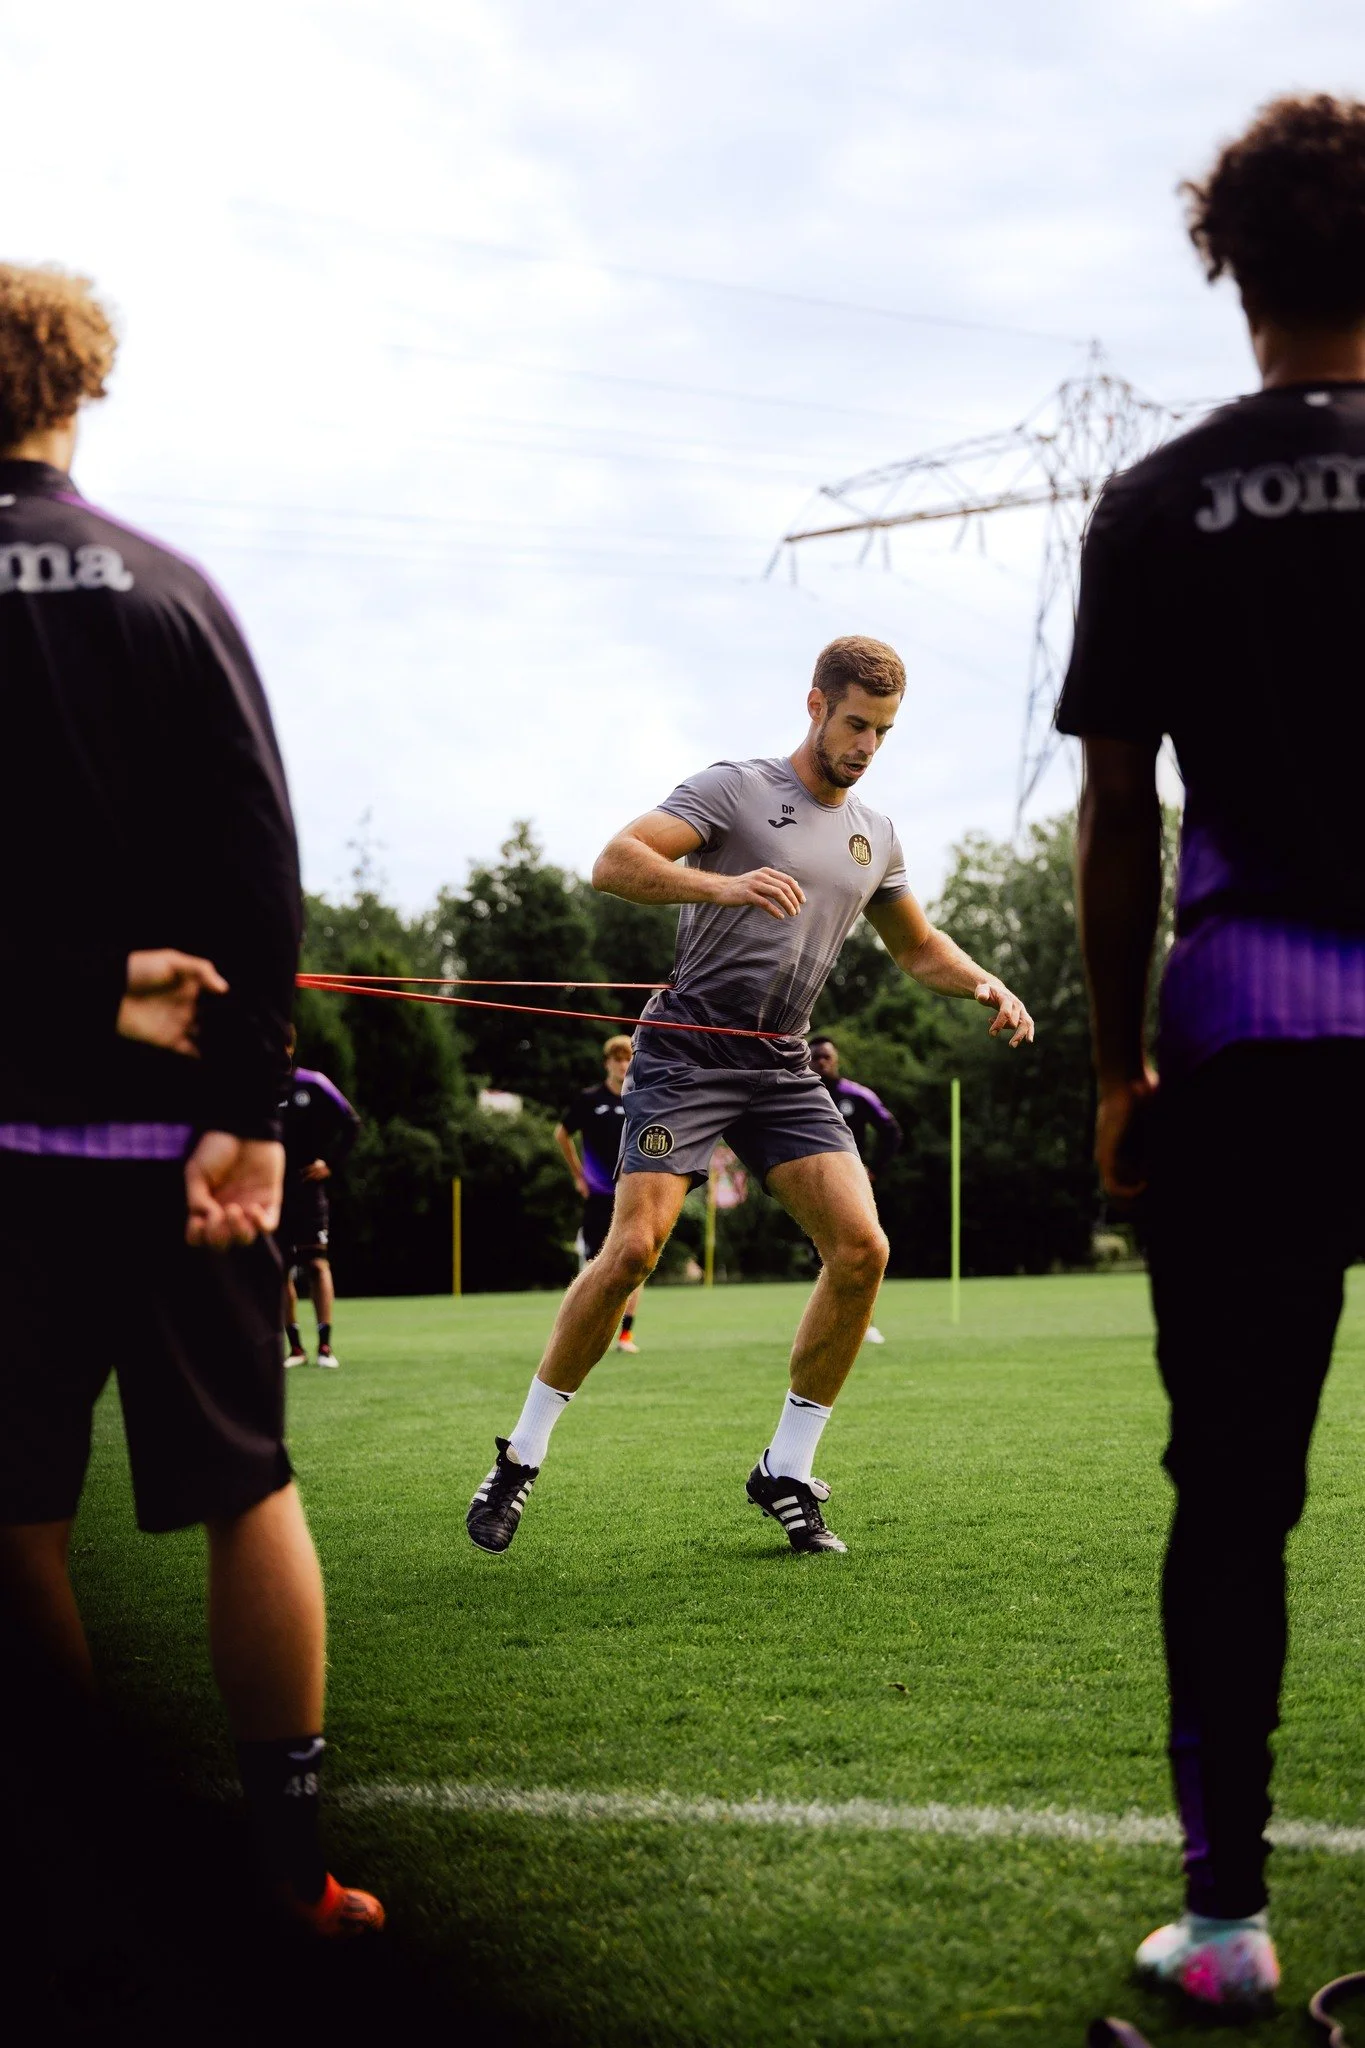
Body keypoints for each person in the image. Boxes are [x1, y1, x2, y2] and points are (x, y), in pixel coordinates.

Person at [0, 263, 382, 1959]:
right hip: (183, 1153)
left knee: (13, 1518)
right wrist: (254, 1113)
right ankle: (292, 1876)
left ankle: (76, 1879)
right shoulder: (172, 590)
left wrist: (76, 985)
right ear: (81, 390)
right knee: (247, 1487)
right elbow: (260, 865)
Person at [1058, 94, 1365, 2016]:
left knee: (1236, 1490)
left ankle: (1231, 1922)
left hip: (1251, 1035)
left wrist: (1115, 1072)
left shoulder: (1156, 502)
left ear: (1227, 265)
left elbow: (1117, 815)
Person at [468, 635, 1034, 1557]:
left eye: (883, 732)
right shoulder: (735, 789)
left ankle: (786, 1469)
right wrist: (724, 886)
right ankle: (520, 1456)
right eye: (855, 724)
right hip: (687, 1050)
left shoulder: (876, 835)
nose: (866, 745)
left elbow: (917, 946)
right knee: (633, 1250)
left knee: (861, 1249)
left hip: (781, 1065)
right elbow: (614, 863)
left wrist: (983, 982)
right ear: (816, 706)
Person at [808, 1033, 903, 1343]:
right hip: (814, 1186)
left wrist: (873, 1169)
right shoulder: (802, 1096)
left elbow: (890, 1131)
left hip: (852, 1186)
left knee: (862, 1252)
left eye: (826, 1056)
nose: (821, 1062)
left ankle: (866, 1323)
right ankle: (827, 1326)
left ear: (836, 1059)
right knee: (827, 1257)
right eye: (815, 1057)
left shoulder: (856, 1095)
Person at [555, 1035, 644, 1355]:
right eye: (618, 1059)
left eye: (628, 1059)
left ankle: (625, 1335)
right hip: (599, 1196)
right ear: (607, 1063)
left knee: (636, 1259)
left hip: (632, 1195)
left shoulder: (641, 1098)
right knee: (595, 1265)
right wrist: (579, 1176)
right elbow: (561, 1134)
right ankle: (585, 1332)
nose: (623, 1065)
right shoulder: (589, 1099)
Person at [280, 1045, 361, 1368]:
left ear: (289, 1046)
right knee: (279, 1268)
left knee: (316, 1263)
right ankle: (295, 1349)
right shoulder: (256, 1085)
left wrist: (330, 1163)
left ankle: (325, 1347)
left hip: (308, 1190)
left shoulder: (313, 1083)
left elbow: (351, 1122)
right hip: (272, 1193)